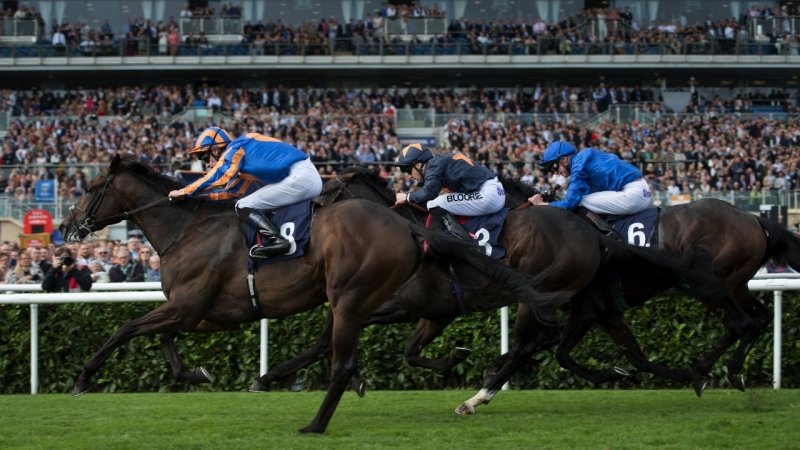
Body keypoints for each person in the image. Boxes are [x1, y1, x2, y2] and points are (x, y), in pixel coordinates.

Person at [167, 127, 323, 258]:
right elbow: (232, 193)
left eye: (205, 158)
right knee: (245, 204)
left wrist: (184, 191)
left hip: (301, 177)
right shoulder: (242, 153)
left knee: (242, 206)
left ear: (215, 150)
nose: (207, 165)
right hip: (305, 177)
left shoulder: (235, 148)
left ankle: (278, 242)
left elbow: (217, 176)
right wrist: (200, 198)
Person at [528, 141, 652, 237]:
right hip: (643, 192)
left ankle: (610, 237)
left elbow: (570, 203)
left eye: (554, 167)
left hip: (633, 195)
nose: (555, 172)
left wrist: (543, 205)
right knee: (586, 198)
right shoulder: (585, 160)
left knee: (580, 201)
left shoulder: (578, 167)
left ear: (564, 159)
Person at [393, 143, 505, 240]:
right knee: (443, 199)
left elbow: (428, 193)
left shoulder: (433, 166)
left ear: (418, 165)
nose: (410, 176)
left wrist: (407, 196)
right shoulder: (439, 162)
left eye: (409, 170)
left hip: (489, 195)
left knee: (435, 203)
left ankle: (464, 241)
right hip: (493, 191)